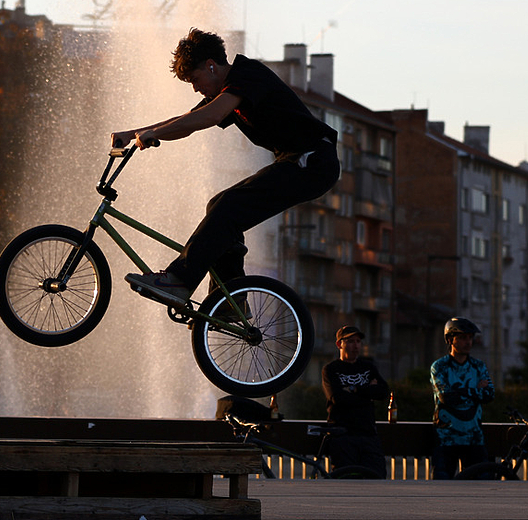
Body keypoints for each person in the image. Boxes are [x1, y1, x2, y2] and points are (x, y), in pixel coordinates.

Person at [114, 28, 340, 308]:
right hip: (293, 161)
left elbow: (211, 115)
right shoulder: (227, 89)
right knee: (219, 206)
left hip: (313, 160)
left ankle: (179, 281)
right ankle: (230, 304)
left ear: (211, 65)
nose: (196, 89)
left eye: (195, 80)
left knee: (229, 207)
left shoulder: (247, 75)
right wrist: (135, 133)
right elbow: (189, 119)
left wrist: (154, 134)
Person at [321, 325, 389, 478]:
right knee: (346, 480)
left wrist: (355, 389)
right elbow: (337, 398)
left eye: (358, 341)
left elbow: (384, 392)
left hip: (368, 434)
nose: (356, 346)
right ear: (340, 344)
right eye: (351, 341)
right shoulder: (331, 369)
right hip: (342, 436)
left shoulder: (368, 367)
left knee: (377, 478)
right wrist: (368, 393)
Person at [430, 317, 494, 479]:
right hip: (446, 438)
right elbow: (446, 397)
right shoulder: (439, 366)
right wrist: (475, 389)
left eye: (470, 337)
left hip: (474, 438)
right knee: (442, 489)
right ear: (450, 340)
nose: (468, 342)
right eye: (463, 337)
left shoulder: (478, 366)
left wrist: (460, 392)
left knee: (482, 488)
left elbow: (489, 395)